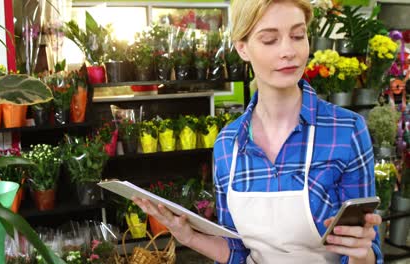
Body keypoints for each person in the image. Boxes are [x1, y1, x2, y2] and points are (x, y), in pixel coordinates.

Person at [133, 0, 383, 263]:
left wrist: (361, 253)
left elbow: (368, 249)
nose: (289, 51)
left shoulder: (346, 131)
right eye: (269, 40)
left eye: (298, 36)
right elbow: (237, 251)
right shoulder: (228, 143)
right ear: (242, 48)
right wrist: (189, 237)